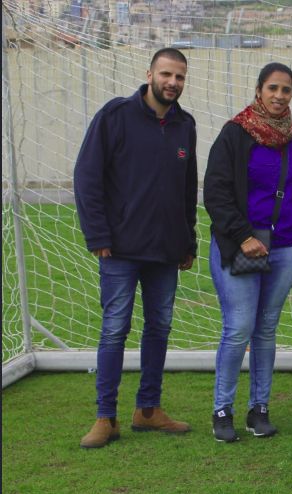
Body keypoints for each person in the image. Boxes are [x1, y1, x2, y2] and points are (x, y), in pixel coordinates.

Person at [74, 48, 197, 449]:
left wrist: (188, 239)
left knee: (159, 327)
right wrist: (99, 237)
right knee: (115, 330)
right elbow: (87, 177)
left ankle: (148, 410)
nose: (172, 83)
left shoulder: (185, 125)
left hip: (165, 251)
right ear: (149, 74)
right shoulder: (114, 116)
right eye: (166, 74)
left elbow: (186, 188)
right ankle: (104, 417)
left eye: (179, 77)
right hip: (120, 251)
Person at [203, 63, 292, 442]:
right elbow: (215, 192)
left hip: (285, 247)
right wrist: (243, 235)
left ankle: (259, 409)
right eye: (273, 88)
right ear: (259, 89)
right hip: (241, 246)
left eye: (286, 89)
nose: (279, 96)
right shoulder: (235, 133)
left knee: (266, 330)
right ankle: (222, 410)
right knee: (238, 329)